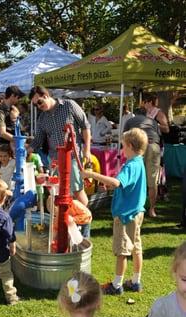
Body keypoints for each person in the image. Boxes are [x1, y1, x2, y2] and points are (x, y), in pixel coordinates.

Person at [81, 128, 148, 295]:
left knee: (122, 251)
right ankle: (135, 281)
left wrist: (92, 174)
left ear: (131, 146)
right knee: (136, 248)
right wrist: (109, 185)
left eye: (123, 146)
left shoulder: (131, 165)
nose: (121, 149)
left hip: (126, 216)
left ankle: (117, 285)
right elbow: (124, 186)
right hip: (137, 212)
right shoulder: (139, 162)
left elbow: (118, 183)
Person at [29, 86, 91, 207]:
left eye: (39, 102)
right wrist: (24, 152)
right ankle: (66, 222)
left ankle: (85, 223)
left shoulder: (69, 105)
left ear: (46, 96)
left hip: (73, 157)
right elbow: (38, 141)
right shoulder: (42, 118)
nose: (38, 106)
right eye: (35, 105)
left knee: (77, 191)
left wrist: (87, 149)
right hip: (55, 161)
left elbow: (85, 126)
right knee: (57, 193)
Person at [124, 108, 161, 218]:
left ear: (135, 114)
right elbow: (159, 135)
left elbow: (125, 136)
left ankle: (133, 208)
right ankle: (152, 210)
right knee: (152, 179)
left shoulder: (130, 121)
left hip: (139, 147)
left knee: (134, 178)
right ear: (146, 114)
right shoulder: (152, 121)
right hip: (154, 146)